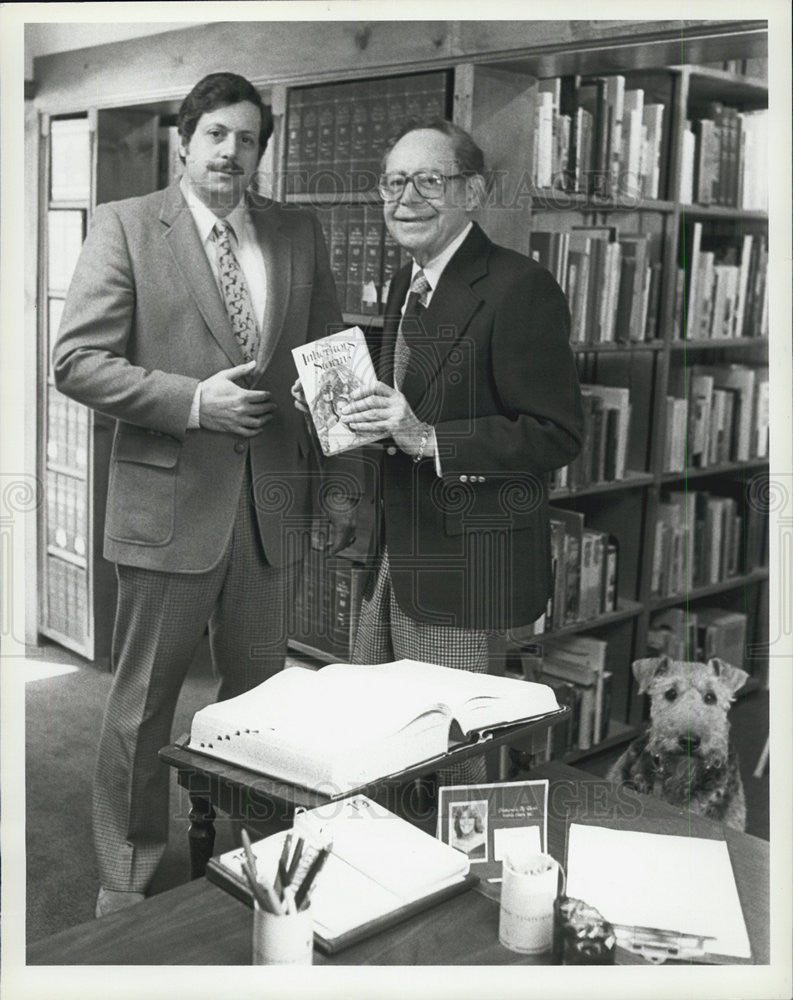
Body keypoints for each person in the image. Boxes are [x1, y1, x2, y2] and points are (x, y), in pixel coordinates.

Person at [53, 72, 355, 917]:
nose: (231, 151)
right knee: (142, 709)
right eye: (216, 133)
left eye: (248, 138)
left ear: (263, 149)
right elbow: (76, 361)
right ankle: (128, 875)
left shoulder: (297, 233)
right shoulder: (123, 228)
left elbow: (327, 355)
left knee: (260, 709)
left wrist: (338, 480)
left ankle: (257, 865)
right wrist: (193, 402)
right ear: (184, 140)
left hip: (270, 512)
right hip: (167, 510)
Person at [340, 119, 585, 785]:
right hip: (393, 554)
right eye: (393, 182)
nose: (405, 199)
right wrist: (354, 416)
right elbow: (408, 409)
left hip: (464, 569)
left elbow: (555, 435)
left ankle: (462, 885)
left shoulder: (519, 287)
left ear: (471, 192)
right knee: (384, 743)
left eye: (428, 181)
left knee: (452, 760)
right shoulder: (404, 283)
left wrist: (426, 438)